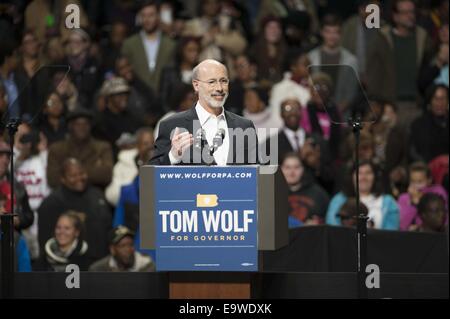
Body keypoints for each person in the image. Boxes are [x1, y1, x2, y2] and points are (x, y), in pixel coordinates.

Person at [150, 59, 258, 166]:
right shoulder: (172, 125)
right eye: (212, 82)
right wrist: (173, 157)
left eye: (223, 81)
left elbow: (256, 174)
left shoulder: (244, 126)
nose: (219, 88)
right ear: (196, 85)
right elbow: (151, 176)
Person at [367, 0, 432, 129]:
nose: (410, 16)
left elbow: (430, 71)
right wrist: (381, 103)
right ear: (395, 16)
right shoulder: (383, 39)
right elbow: (373, 75)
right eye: (405, 12)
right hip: (391, 106)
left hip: (418, 105)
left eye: (412, 12)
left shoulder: (422, 38)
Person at [38, 158, 112, 262]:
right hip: (68, 264)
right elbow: (45, 240)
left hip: (99, 261)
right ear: (63, 179)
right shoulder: (51, 203)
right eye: (73, 176)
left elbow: (108, 226)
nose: (79, 178)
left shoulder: (97, 195)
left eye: (82, 173)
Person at [46, 107, 113, 189]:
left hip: (95, 194)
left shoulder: (102, 147)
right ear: (70, 126)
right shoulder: (57, 149)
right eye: (77, 124)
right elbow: (53, 179)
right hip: (65, 196)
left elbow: (106, 175)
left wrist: (69, 173)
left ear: (90, 126)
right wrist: (93, 170)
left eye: (86, 124)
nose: (82, 128)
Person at [326, 160, 400, 230]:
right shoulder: (339, 199)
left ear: (375, 177)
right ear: (352, 176)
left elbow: (391, 233)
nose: (363, 177)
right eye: (359, 173)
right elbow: (333, 229)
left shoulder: (388, 202)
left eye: (368, 173)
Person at [121, 0, 176, 93]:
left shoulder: (170, 45)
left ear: (158, 17)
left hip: (164, 97)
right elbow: (124, 71)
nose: (147, 19)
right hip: (137, 97)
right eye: (143, 15)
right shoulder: (129, 44)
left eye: (151, 15)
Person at [307, 14, 359, 112]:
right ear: (322, 32)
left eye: (336, 32)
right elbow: (308, 86)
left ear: (340, 34)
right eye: (328, 32)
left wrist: (337, 111)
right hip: (315, 112)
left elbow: (351, 92)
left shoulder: (351, 60)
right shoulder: (311, 57)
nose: (332, 36)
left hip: (341, 114)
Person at [105, 128, 154, 206]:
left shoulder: (164, 162)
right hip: (133, 210)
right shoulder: (122, 165)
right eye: (146, 143)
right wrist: (134, 183)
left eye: (153, 143)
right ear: (138, 146)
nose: (150, 146)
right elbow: (113, 196)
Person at [281, 153, 330, 226]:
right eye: (287, 167)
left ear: (303, 169)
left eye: (296, 167)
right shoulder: (272, 193)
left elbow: (328, 221)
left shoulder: (318, 194)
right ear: (280, 169)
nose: (292, 172)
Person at [398, 162, 448, 231]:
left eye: (420, 182)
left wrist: (420, 201)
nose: (416, 186)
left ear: (429, 180)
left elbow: (444, 218)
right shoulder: (404, 198)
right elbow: (402, 226)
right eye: (413, 181)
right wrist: (413, 204)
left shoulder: (438, 191)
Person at [409, 84, 449, 163]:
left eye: (443, 98)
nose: (439, 103)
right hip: (426, 169)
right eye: (436, 98)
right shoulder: (418, 124)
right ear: (430, 101)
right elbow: (413, 153)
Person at [89, 225, 155, 272]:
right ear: (112, 249)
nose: (128, 249)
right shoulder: (99, 270)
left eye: (130, 245)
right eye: (123, 246)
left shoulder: (147, 266)